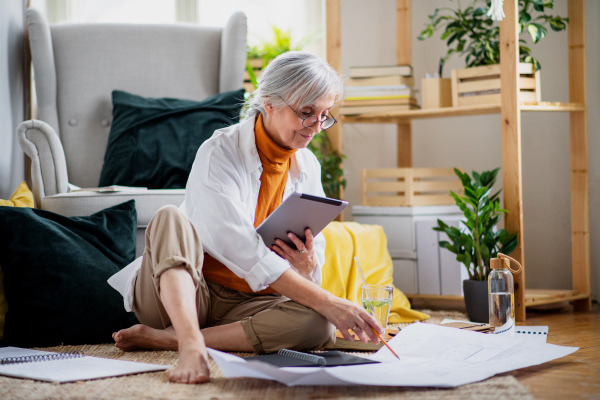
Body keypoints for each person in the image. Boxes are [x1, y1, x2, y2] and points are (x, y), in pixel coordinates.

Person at [109, 51, 383, 385]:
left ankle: (167, 338)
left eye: (324, 115)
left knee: (318, 324)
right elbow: (241, 248)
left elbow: (314, 253)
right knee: (169, 218)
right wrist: (329, 300)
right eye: (306, 112)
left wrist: (307, 263)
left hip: (251, 304)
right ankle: (189, 341)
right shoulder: (219, 152)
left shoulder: (308, 164)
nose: (315, 126)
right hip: (191, 293)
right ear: (268, 101)